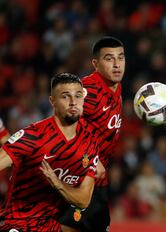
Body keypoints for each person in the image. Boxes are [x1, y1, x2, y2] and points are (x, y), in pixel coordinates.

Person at [0, 73, 99, 231]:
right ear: (52, 101)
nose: (73, 102)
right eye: (65, 97)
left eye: (78, 96)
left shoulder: (89, 142)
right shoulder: (34, 136)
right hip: (18, 224)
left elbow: (83, 200)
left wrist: (57, 183)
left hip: (50, 227)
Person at [60, 36, 125, 232]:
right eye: (109, 58)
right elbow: (64, 124)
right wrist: (91, 158)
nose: (116, 65)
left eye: (120, 58)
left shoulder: (116, 88)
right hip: (76, 174)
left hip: (97, 180)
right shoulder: (89, 90)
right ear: (95, 64)